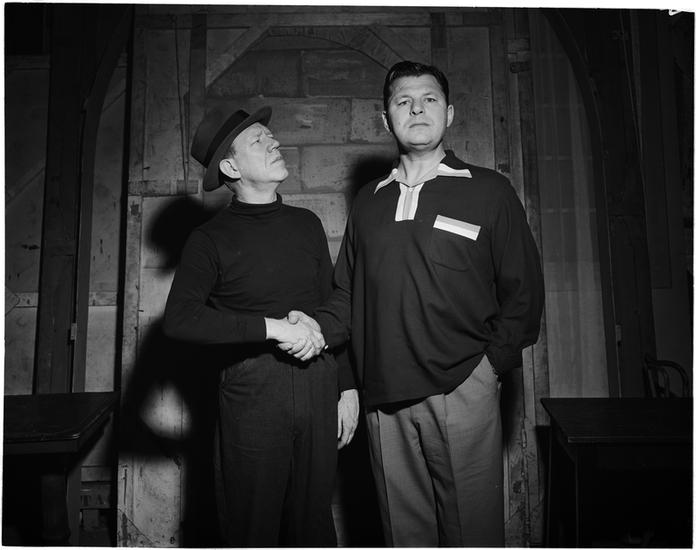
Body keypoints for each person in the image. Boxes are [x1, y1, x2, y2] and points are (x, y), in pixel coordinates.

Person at [285, 61, 544, 546]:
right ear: (386, 119)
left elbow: (524, 292)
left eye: (429, 99)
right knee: (404, 537)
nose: (417, 109)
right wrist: (313, 328)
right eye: (403, 101)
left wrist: (489, 367)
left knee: (472, 535)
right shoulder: (369, 200)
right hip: (384, 397)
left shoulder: (489, 190)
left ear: (450, 113)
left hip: (463, 385)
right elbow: (347, 294)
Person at [162, 105, 359, 547]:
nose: (274, 142)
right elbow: (180, 318)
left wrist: (346, 388)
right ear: (231, 168)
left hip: (319, 383)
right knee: (253, 527)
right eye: (258, 140)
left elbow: (330, 307)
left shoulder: (306, 224)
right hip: (253, 393)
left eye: (271, 136)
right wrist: (274, 328)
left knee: (313, 526)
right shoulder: (209, 239)